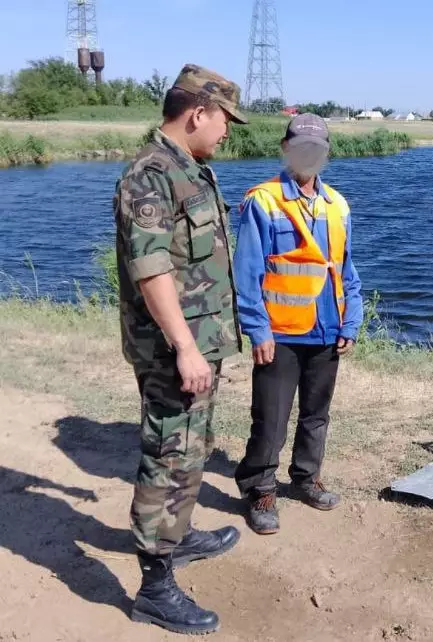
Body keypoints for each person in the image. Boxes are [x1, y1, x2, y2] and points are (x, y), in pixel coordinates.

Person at [112, 63, 248, 635]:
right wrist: (186, 348)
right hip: (175, 349)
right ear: (198, 113)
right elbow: (152, 271)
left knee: (193, 446)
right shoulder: (151, 174)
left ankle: (181, 532)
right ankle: (155, 586)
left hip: (200, 341)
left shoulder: (191, 169)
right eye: (223, 121)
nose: (226, 132)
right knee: (169, 452)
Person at [232, 113, 363, 535]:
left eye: (317, 148)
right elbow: (247, 271)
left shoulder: (338, 205)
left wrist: (351, 322)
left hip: (327, 329)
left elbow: (345, 270)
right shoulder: (264, 201)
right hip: (281, 332)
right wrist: (258, 329)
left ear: (326, 153)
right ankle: (260, 488)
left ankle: (306, 477)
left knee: (316, 415)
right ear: (286, 149)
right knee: (271, 417)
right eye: (300, 146)